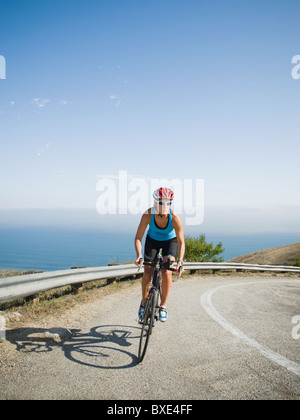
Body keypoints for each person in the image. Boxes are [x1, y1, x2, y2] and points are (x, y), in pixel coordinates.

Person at [134, 187, 185, 322]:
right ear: (155, 202)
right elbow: (138, 238)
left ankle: (163, 306)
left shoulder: (174, 218)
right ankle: (144, 303)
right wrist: (139, 255)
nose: (165, 206)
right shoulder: (147, 215)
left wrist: (180, 261)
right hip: (152, 241)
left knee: (166, 271)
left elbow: (181, 242)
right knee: (148, 270)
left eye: (168, 203)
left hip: (170, 242)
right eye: (162, 202)